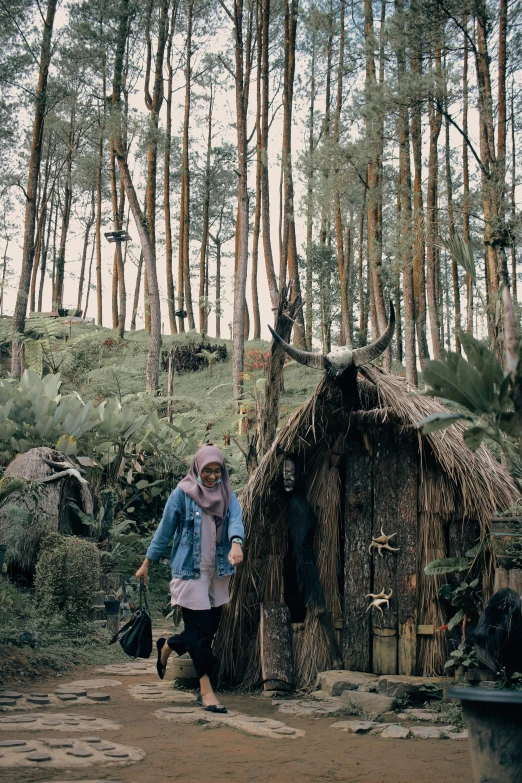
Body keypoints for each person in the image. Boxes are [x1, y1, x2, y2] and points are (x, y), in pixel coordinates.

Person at [135, 444, 244, 713]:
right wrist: (147, 561)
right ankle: (206, 691)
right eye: (207, 470)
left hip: (218, 571)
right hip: (189, 572)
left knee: (208, 629)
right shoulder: (182, 494)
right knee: (200, 638)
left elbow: (235, 520)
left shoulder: (227, 494)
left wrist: (236, 543)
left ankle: (168, 646)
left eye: (217, 471)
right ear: (198, 468)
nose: (212, 476)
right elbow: (164, 530)